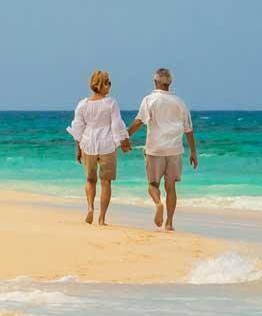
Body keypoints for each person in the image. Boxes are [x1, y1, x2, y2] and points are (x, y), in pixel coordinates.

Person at [126, 68, 196, 231]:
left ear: (155, 81)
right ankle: (169, 223)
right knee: (171, 186)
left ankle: (158, 204)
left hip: (155, 148)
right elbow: (188, 129)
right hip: (175, 149)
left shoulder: (149, 100)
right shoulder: (180, 102)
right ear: (170, 82)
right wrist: (193, 152)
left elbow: (139, 121)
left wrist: (126, 135)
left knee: (152, 184)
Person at [67, 70, 131, 226]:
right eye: (108, 82)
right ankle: (102, 218)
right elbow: (116, 124)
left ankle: (90, 208)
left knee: (90, 180)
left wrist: (78, 148)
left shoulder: (83, 104)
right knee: (106, 182)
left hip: (88, 144)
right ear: (102, 85)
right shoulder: (111, 103)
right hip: (107, 145)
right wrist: (123, 141)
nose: (110, 85)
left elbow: (78, 128)